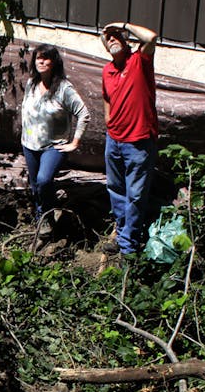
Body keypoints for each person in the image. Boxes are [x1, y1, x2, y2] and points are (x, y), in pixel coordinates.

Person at [100, 21, 160, 256]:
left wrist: (121, 24)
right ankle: (122, 231)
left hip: (138, 141)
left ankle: (128, 247)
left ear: (126, 42)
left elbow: (151, 37)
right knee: (116, 189)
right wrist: (108, 119)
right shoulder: (107, 70)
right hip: (113, 139)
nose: (112, 39)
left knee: (135, 195)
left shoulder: (139, 61)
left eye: (117, 37)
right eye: (108, 38)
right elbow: (106, 96)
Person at [19, 44, 88, 229]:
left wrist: (75, 142)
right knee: (35, 186)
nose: (41, 61)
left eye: (46, 58)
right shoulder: (31, 84)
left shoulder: (64, 88)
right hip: (30, 144)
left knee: (44, 180)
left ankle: (48, 212)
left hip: (54, 146)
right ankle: (43, 220)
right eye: (38, 58)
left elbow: (83, 114)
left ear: (54, 62)